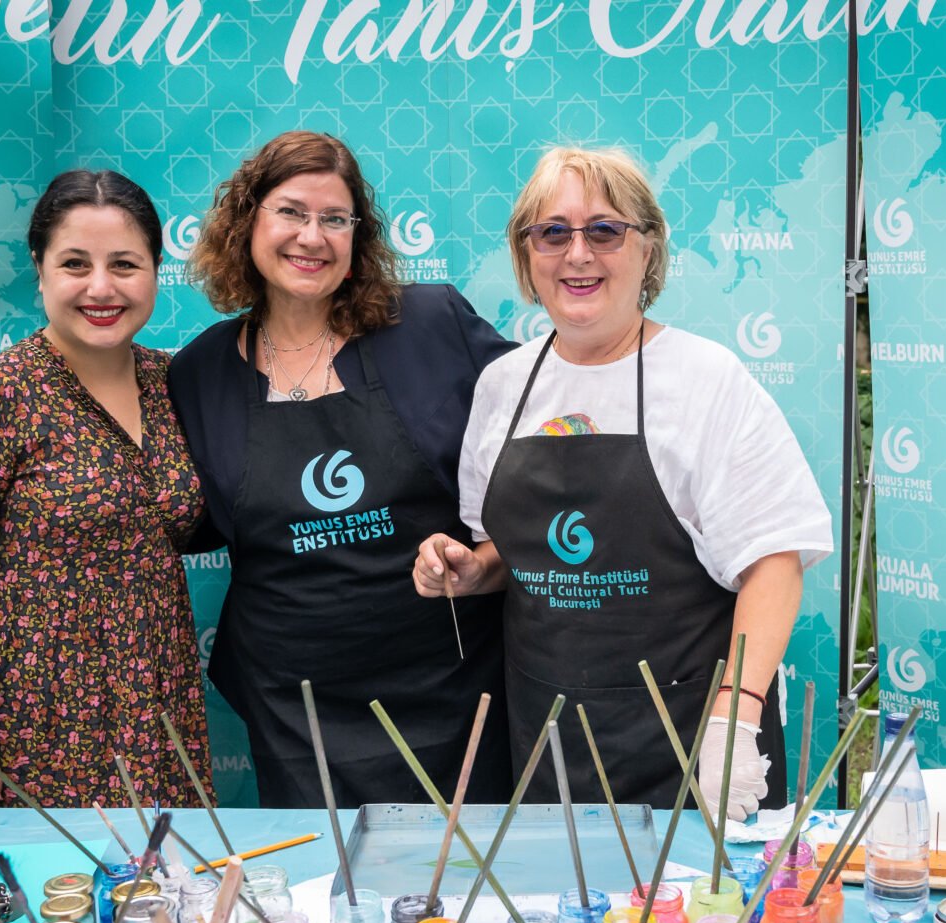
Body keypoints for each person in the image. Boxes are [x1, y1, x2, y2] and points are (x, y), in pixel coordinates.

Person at [414, 147, 833, 819]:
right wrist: (471, 570)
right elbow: (509, 552)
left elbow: (773, 563)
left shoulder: (705, 379)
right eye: (553, 232)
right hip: (549, 739)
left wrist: (735, 718)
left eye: (605, 230)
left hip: (692, 742)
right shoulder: (503, 387)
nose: (578, 253)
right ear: (526, 255)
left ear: (648, 249)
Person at [169, 131, 514, 808]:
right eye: (291, 212)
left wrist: (488, 558)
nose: (312, 237)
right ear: (247, 223)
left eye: (335, 218)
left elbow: (537, 444)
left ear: (359, 236)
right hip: (298, 710)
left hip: (451, 691)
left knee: (469, 871)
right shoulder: (198, 372)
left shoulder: (430, 324)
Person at [0, 169, 214, 837]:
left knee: (152, 887)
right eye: (75, 264)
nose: (101, 287)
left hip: (151, 708)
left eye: (125, 264)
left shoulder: (175, 384)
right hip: (23, 723)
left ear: (156, 271)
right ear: (39, 270)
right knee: (32, 895)